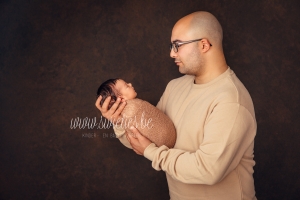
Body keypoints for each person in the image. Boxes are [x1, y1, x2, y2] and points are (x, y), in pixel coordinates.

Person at [95, 11, 257, 200]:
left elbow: (208, 170)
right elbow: (145, 140)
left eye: (177, 45)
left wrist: (152, 152)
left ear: (204, 45)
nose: (171, 53)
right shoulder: (175, 87)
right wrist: (120, 121)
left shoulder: (231, 101)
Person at [96, 78, 176, 148]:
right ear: (121, 98)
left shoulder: (133, 108)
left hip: (163, 144)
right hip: (164, 142)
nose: (130, 84)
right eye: (127, 86)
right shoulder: (132, 110)